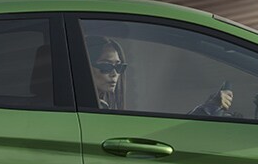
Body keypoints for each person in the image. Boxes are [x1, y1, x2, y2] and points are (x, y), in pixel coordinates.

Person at [85, 34, 234, 116]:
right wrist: (206, 109)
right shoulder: (92, 113)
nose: (114, 74)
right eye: (105, 66)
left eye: (119, 67)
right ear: (85, 65)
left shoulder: (101, 109)